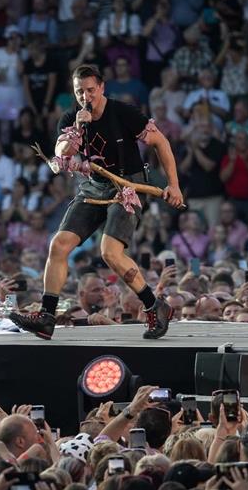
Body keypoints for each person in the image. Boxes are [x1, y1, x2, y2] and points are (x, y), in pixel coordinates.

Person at [10, 64, 184, 341]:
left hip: (127, 186)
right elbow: (60, 154)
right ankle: (47, 315)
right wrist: (78, 128)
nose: (86, 96)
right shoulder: (71, 118)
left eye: (91, 90)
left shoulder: (123, 112)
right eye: (80, 91)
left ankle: (154, 305)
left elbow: (161, 143)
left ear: (101, 87)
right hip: (94, 186)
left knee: (110, 253)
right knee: (59, 244)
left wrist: (173, 185)